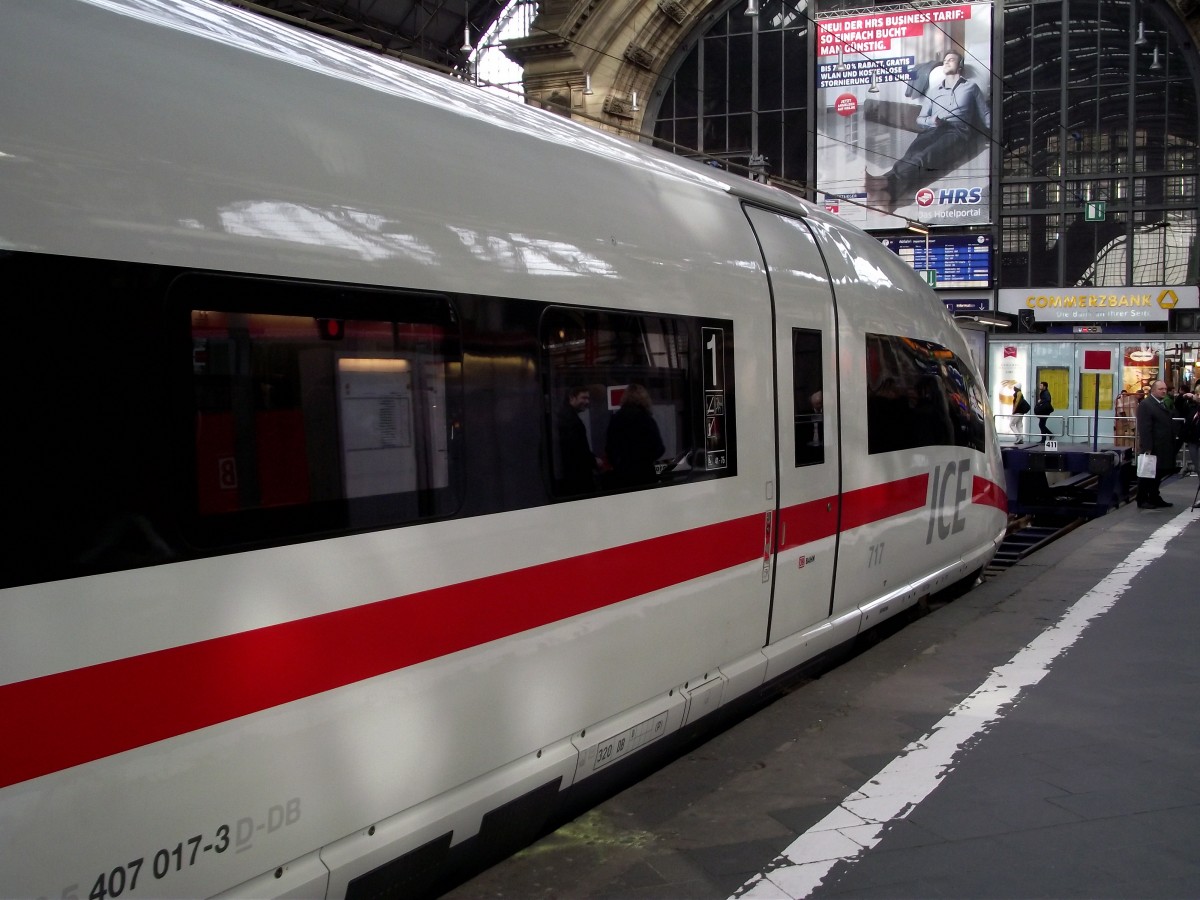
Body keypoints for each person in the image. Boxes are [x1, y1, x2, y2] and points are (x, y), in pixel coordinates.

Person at [863, 51, 991, 208]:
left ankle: (883, 181)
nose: (946, 62)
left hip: (958, 131)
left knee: (925, 157)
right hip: (933, 128)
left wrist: (994, 134)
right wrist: (932, 121)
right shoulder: (934, 91)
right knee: (911, 155)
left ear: (960, 66)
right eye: (945, 60)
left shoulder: (971, 87)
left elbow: (985, 113)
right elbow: (920, 119)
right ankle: (888, 195)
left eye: (951, 60)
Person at [605, 383, 665, 488]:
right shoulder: (646, 419)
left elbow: (609, 448)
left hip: (622, 476)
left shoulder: (615, 419)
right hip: (644, 476)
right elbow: (658, 449)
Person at [1135, 379, 1176, 508]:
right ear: (1153, 390)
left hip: (1162, 445)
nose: (1164, 391)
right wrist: (1147, 447)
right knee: (1147, 473)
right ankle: (1142, 499)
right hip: (1153, 446)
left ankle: (1154, 496)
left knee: (1157, 474)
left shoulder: (1161, 403)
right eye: (1161, 389)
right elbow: (1145, 427)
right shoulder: (1146, 405)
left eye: (1165, 389)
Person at [555, 385, 600, 494]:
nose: (587, 401)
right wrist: (594, 461)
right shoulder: (571, 421)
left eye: (588, 398)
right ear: (572, 398)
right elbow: (578, 450)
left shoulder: (565, 416)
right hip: (577, 478)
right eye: (583, 398)